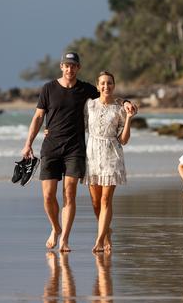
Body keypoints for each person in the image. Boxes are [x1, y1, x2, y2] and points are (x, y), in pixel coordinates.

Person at [20, 51, 136, 252]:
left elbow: (106, 95)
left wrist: (125, 101)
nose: (69, 69)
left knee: (70, 194)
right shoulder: (48, 88)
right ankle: (56, 228)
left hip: (75, 149)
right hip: (51, 147)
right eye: (66, 65)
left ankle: (64, 238)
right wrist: (28, 143)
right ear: (61, 67)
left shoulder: (85, 90)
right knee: (48, 196)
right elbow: (38, 117)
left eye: (73, 66)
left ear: (78, 68)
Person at [84, 71, 135, 253]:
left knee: (106, 200)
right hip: (92, 156)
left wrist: (128, 118)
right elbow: (76, 124)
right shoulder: (89, 105)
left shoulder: (120, 108)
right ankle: (106, 232)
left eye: (110, 83)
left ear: (114, 85)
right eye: (103, 83)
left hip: (112, 155)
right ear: (97, 86)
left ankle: (100, 239)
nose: (106, 86)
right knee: (96, 203)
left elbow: (124, 140)